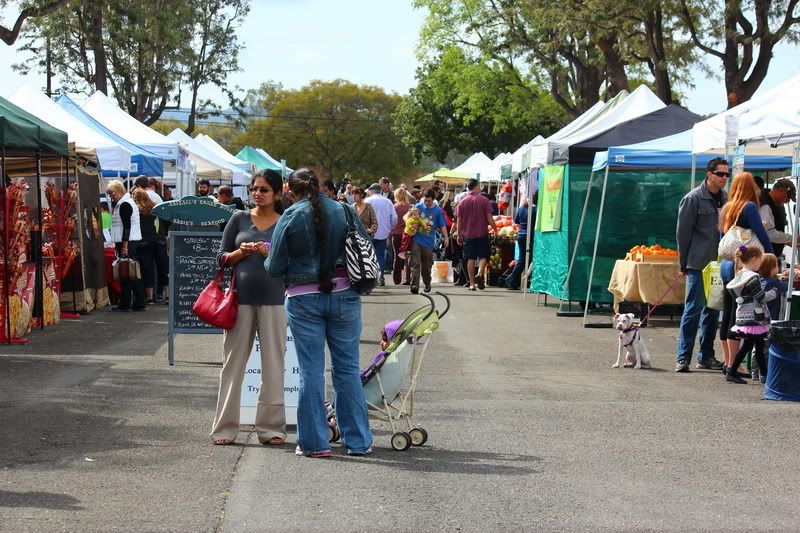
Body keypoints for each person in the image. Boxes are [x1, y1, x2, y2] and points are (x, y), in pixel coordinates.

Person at [266, 168, 373, 458]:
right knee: (347, 369)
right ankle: (358, 441)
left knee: (311, 372)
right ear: (319, 186)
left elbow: (274, 267)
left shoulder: (291, 215)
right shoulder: (344, 210)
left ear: (291, 191)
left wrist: (268, 255)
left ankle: (314, 443)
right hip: (345, 294)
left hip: (303, 299)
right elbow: (363, 247)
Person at [211, 169, 287, 446]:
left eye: (264, 189)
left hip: (275, 301)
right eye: (254, 189)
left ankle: (271, 428)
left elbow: (293, 261)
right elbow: (220, 258)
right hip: (239, 301)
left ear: (276, 193)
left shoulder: (285, 222)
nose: (257, 193)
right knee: (232, 366)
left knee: (273, 367)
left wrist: (271, 253)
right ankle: (224, 429)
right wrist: (239, 252)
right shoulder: (238, 218)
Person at [674, 158, 729, 373]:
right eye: (720, 174)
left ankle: (706, 356)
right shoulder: (692, 198)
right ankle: (683, 357)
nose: (724, 178)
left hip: (719, 264)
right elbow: (682, 235)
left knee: (712, 311)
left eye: (727, 174)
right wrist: (683, 264)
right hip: (698, 264)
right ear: (709, 174)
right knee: (693, 310)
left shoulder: (726, 198)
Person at [718, 171, 773, 375]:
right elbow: (762, 236)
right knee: (737, 315)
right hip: (741, 268)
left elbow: (723, 235)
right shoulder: (749, 207)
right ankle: (735, 364)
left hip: (727, 264)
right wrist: (771, 257)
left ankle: (728, 361)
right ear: (752, 188)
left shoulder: (727, 207)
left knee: (727, 313)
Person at [724, 246, 776, 384]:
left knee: (754, 346)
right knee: (753, 347)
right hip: (754, 317)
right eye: (760, 260)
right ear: (754, 259)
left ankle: (763, 375)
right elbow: (761, 297)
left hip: (744, 314)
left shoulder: (740, 274)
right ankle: (733, 372)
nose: (760, 264)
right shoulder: (753, 277)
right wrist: (773, 293)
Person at [106, 180, 146, 312]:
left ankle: (128, 303)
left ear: (119, 191)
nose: (111, 196)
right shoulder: (127, 202)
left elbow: (127, 227)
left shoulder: (124, 204)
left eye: (112, 193)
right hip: (131, 241)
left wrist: (124, 246)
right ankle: (135, 302)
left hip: (128, 242)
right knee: (131, 273)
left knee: (128, 273)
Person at [456, 178, 497, 291]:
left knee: (470, 258)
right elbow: (489, 218)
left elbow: (459, 220)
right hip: (482, 232)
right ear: (476, 187)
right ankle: (479, 273)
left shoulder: (462, 202)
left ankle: (472, 284)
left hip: (468, 234)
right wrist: (495, 229)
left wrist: (459, 234)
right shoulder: (484, 200)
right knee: (483, 256)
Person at [407, 188, 449, 294]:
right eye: (425, 200)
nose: (426, 203)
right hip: (416, 239)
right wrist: (410, 224)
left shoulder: (438, 210)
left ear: (433, 199)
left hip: (428, 242)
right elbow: (406, 217)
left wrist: (446, 237)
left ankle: (427, 283)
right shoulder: (418, 207)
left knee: (426, 267)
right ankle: (414, 285)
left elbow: (442, 225)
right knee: (415, 264)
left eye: (429, 201)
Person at [755, 253, 786, 382]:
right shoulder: (774, 282)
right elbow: (786, 289)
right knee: (767, 346)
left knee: (757, 346)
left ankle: (755, 372)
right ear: (772, 268)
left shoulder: (759, 281)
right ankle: (765, 373)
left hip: (758, 318)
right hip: (770, 319)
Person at [365, 183, 397, 286]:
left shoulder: (367, 201)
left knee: (369, 255)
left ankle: (371, 277)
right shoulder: (387, 201)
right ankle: (380, 276)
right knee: (380, 255)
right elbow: (394, 217)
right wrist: (390, 228)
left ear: (372, 190)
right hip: (383, 232)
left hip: (369, 232)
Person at [131, 189, 159, 304]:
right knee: (150, 269)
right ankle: (150, 296)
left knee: (139, 269)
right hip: (153, 241)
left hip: (140, 241)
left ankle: (141, 295)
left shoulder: (136, 209)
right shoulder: (153, 208)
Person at [759, 178, 796, 258]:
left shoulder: (769, 202)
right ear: (781, 190)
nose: (787, 201)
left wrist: (785, 241)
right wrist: (791, 238)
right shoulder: (766, 204)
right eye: (788, 197)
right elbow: (768, 233)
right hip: (764, 256)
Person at [507, 199, 535, 291]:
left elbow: (516, 221)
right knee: (530, 259)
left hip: (521, 235)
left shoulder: (522, 208)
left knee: (522, 259)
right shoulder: (536, 210)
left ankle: (512, 281)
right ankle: (513, 281)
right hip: (530, 235)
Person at [391, 188, 413, 285]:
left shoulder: (394, 207)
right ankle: (407, 278)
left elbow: (392, 220)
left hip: (396, 234)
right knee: (407, 256)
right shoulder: (411, 207)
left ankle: (397, 279)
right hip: (408, 234)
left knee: (397, 256)